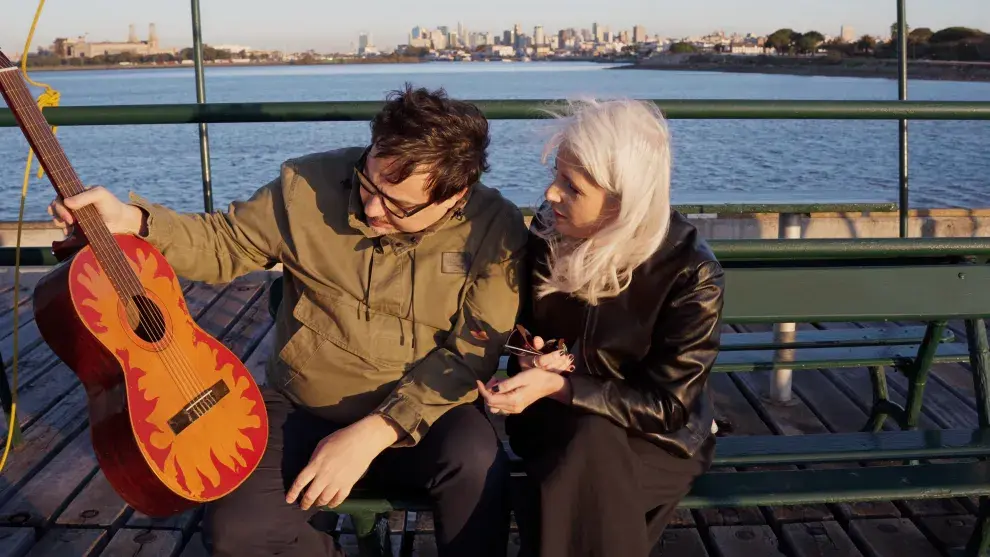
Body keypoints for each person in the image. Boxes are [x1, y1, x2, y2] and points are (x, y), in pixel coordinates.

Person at [49, 84, 528, 557]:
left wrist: (375, 431)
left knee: (478, 467)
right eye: (368, 182)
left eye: (400, 206)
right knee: (237, 533)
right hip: (302, 406)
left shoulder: (495, 228)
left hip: (428, 416)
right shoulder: (308, 184)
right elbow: (226, 244)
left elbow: (469, 356)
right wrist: (136, 220)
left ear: (456, 195)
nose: (372, 207)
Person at [477, 98, 724, 557]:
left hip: (656, 440)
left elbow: (669, 406)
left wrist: (559, 385)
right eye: (556, 177)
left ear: (622, 200)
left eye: (570, 186)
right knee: (588, 470)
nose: (551, 195)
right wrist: (530, 355)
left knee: (581, 472)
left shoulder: (689, 271)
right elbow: (526, 331)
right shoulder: (550, 235)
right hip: (554, 423)